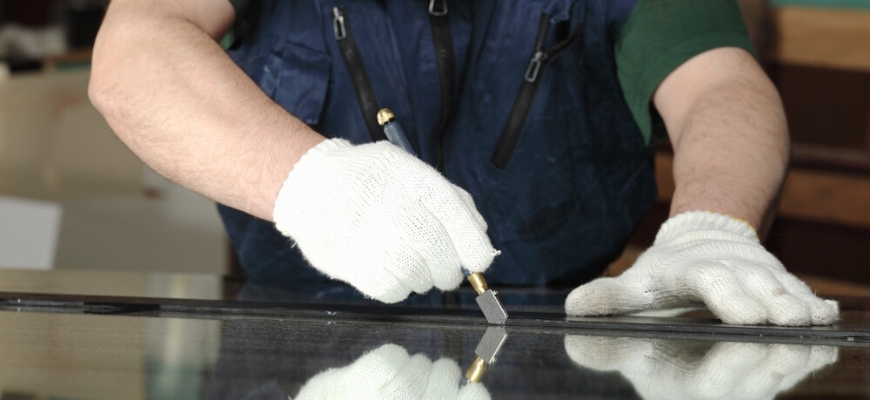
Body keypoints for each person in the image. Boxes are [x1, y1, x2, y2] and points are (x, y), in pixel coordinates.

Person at [89, 0, 838, 326]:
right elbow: (133, 52)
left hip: (569, 345)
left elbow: (718, 84)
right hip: (292, 335)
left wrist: (713, 226)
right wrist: (314, 186)